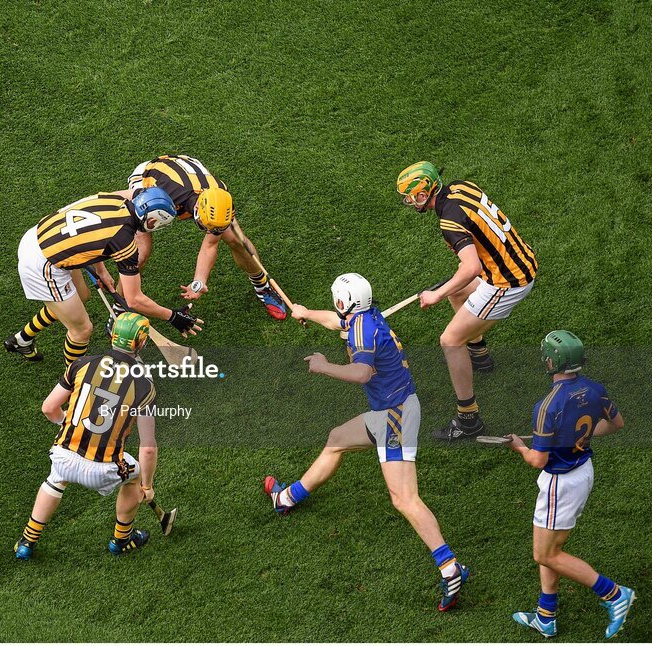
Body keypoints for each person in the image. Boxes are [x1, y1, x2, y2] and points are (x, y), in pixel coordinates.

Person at [265, 273, 468, 611]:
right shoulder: (364, 317)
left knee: (405, 499)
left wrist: (323, 366)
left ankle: (450, 568)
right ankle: (286, 498)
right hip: (394, 409)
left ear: (346, 302)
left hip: (394, 417)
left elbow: (361, 373)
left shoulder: (361, 330)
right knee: (337, 440)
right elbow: (337, 322)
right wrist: (306, 312)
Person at [506, 330, 634, 639]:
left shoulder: (547, 405)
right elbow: (617, 424)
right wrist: (580, 438)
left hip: (560, 484)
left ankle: (615, 594)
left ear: (552, 362)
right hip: (583, 470)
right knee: (553, 547)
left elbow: (538, 460)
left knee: (545, 554)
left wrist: (520, 448)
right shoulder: (595, 389)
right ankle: (546, 616)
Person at [397, 161, 537, 440]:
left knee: (449, 340)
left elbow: (471, 268)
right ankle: (479, 354)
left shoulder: (448, 220)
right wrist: (450, 287)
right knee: (458, 291)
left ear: (423, 195)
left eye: (410, 196)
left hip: (506, 282)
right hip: (518, 261)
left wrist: (437, 294)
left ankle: (468, 419)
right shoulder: (462, 187)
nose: (409, 202)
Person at [14, 313, 159, 559]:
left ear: (112, 335)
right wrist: (147, 486)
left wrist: (66, 424)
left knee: (56, 479)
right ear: (141, 343)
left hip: (63, 456)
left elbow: (48, 408)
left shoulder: (82, 364)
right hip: (104, 469)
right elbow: (147, 448)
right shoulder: (145, 386)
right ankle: (121, 540)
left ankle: (27, 541)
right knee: (133, 476)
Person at [5, 188, 201, 364]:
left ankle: (21, 340)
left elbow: (90, 234)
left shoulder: (114, 200)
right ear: (151, 220)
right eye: (160, 224)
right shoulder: (124, 243)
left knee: (81, 297)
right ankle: (75, 383)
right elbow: (134, 300)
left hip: (37, 235)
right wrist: (173, 317)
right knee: (82, 330)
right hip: (44, 264)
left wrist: (101, 270)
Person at [126, 154, 287, 319]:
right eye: (207, 226)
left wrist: (199, 281)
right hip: (149, 176)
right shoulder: (162, 194)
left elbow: (210, 244)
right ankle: (121, 306)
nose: (210, 231)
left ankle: (263, 286)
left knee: (236, 239)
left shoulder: (220, 202)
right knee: (140, 254)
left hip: (190, 174)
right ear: (196, 211)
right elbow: (123, 197)